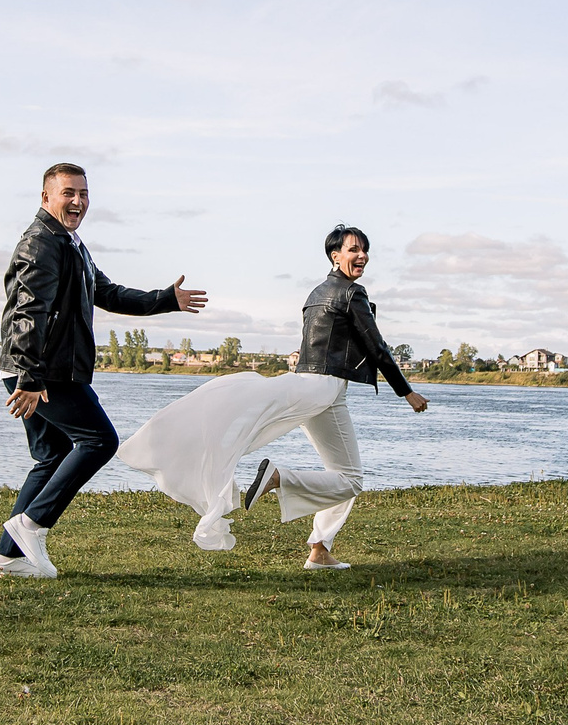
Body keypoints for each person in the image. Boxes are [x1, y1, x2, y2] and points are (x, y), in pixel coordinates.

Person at [119, 224, 427, 567]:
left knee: (340, 474)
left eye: (364, 250)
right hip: (324, 389)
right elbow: (377, 346)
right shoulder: (352, 294)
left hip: (311, 386)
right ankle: (279, 479)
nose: (362, 256)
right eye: (354, 250)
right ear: (335, 255)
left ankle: (320, 550)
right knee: (351, 479)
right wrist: (406, 391)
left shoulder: (315, 293)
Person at [0, 162, 207, 579]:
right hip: (44, 374)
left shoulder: (70, 243)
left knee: (50, 456)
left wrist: (165, 299)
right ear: (46, 197)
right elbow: (29, 312)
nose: (78, 201)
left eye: (84, 193)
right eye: (68, 192)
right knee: (100, 440)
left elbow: (105, 292)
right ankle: (31, 525)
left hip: (40, 371)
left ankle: (6, 558)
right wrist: (30, 379)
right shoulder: (41, 244)